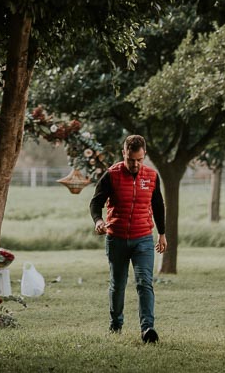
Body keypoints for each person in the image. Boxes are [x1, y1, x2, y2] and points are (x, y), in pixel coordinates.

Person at [89, 134, 167, 343]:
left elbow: (158, 205)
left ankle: (147, 328)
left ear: (144, 156)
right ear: (124, 153)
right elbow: (95, 203)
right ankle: (116, 324)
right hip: (117, 239)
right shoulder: (111, 175)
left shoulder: (151, 176)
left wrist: (161, 233)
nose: (135, 164)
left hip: (143, 239)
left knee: (144, 282)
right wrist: (98, 221)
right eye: (131, 159)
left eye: (139, 160)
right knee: (118, 284)